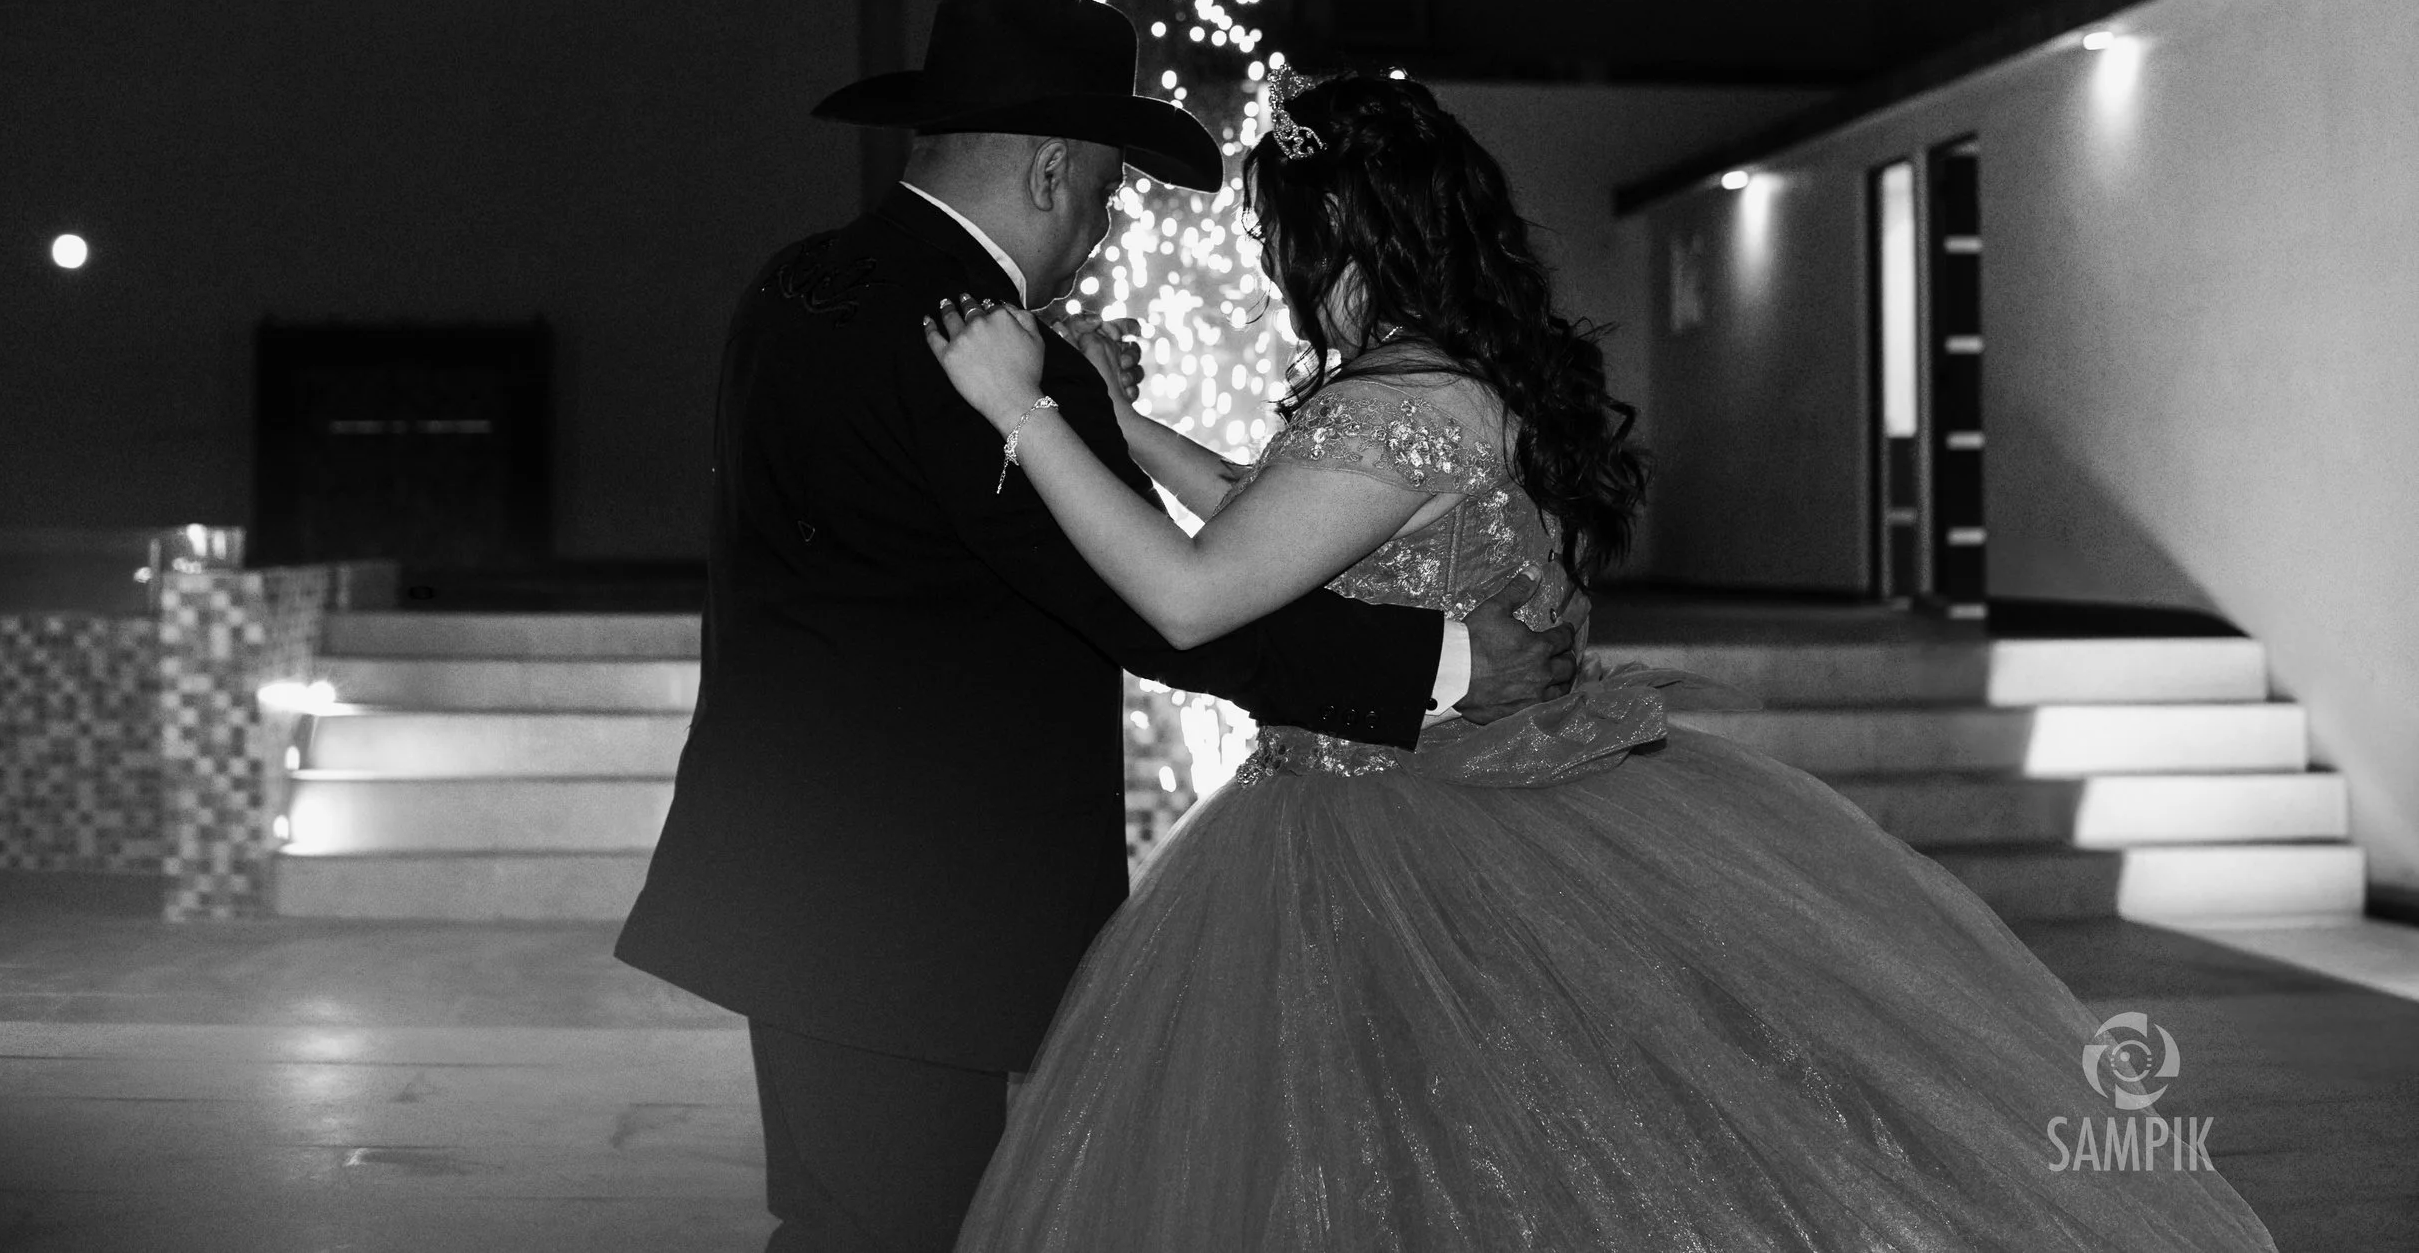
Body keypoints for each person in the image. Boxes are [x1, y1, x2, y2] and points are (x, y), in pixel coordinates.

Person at [926, 71, 2280, 1251]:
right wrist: (1126, 420)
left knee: (1419, 1160)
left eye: (1282, 237)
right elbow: (1267, 513)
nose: (1280, 271)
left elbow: (1189, 596)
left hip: (1388, 827)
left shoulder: (1398, 403)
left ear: (1333, 233)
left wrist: (1025, 411)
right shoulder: (1434, 381)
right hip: (1440, 801)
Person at [612, 0, 1583, 1253]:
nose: (1111, 220)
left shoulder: (794, 285)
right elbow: (1169, 607)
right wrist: (1447, 662)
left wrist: (1095, 412)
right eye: (1111, 189)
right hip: (929, 901)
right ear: (1055, 166)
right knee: (908, 1220)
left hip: (786, 865)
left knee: (838, 1210)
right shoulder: (995, 351)